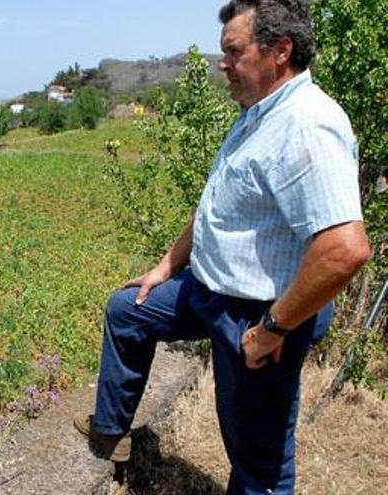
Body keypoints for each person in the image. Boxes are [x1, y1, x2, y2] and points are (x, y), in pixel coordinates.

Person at [73, 1, 371, 494]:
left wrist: (272, 329)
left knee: (258, 461)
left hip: (258, 312)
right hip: (210, 288)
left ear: (280, 51)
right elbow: (218, 203)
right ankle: (111, 432)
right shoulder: (258, 114)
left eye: (233, 51)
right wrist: (167, 266)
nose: (223, 64)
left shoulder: (307, 125)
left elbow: (344, 249)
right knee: (129, 310)